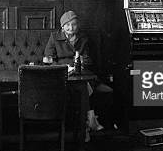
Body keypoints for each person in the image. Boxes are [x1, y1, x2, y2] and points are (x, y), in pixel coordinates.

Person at [44, 11, 112, 139]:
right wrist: (63, 66)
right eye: (67, 25)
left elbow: (88, 60)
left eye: (74, 24)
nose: (71, 28)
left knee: (84, 84)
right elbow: (48, 59)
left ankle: (86, 125)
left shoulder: (83, 38)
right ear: (62, 26)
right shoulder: (54, 37)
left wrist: (82, 60)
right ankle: (89, 121)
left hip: (80, 72)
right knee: (84, 88)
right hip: (61, 72)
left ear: (78, 25)